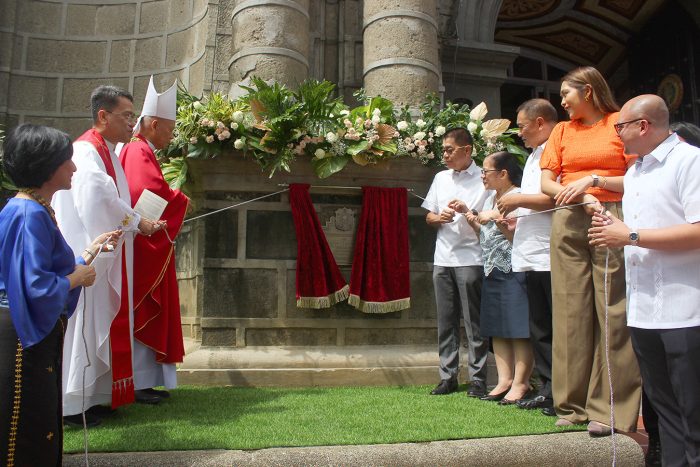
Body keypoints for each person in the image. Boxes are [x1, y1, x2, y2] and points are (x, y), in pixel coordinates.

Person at [589, 94, 700, 467]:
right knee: (665, 414)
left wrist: (631, 236)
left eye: (620, 125)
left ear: (643, 125)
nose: (616, 132)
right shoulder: (635, 171)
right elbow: (634, 229)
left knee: (694, 412)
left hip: (687, 309)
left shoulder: (690, 161)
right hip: (644, 310)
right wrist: (611, 230)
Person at [0, 124, 119, 465]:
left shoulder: (32, 209)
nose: (75, 168)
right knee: (23, 425)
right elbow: (35, 287)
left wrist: (89, 253)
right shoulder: (27, 213)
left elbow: (45, 271)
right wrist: (76, 278)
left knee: (38, 420)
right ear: (47, 166)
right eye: (67, 161)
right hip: (23, 334)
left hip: (29, 331)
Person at [539, 66, 641, 436]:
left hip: (610, 215)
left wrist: (594, 182)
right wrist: (580, 193)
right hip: (568, 216)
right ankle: (571, 404)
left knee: (612, 307)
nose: (562, 101)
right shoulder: (561, 131)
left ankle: (611, 407)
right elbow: (546, 181)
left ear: (588, 91)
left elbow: (637, 177)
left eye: (567, 94)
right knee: (570, 310)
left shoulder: (618, 124)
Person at [52, 86, 162, 427]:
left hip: (107, 251)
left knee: (101, 322)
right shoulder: (86, 151)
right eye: (126, 116)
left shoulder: (108, 151)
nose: (132, 123)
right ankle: (73, 404)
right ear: (103, 116)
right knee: (85, 324)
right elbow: (97, 200)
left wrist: (132, 220)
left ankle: (96, 396)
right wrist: (135, 221)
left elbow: (111, 198)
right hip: (89, 252)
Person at [120, 77, 189, 402]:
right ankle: (138, 380)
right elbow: (144, 194)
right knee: (145, 307)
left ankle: (145, 380)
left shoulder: (142, 150)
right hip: (143, 245)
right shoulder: (137, 151)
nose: (172, 135)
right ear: (155, 123)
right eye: (171, 129)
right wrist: (180, 200)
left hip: (149, 245)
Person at [453, 152, 532, 404]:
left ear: (503, 174)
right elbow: (487, 237)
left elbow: (518, 239)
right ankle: (504, 380)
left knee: (518, 328)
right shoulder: (491, 198)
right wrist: (474, 219)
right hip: (491, 269)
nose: (482, 176)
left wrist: (497, 219)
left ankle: (521, 382)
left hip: (514, 268)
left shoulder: (517, 198)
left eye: (486, 171)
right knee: (497, 328)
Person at [496, 99, 557, 413]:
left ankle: (561, 390)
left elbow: (555, 198)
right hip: (529, 249)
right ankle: (547, 388)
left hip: (550, 252)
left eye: (522, 125)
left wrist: (519, 199)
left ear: (541, 122)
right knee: (539, 326)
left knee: (556, 326)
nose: (519, 132)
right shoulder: (533, 155)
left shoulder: (556, 149)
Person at [422, 127, 488, 397]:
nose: (445, 155)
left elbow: (491, 218)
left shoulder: (484, 177)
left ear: (467, 150)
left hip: (472, 256)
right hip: (443, 257)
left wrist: (467, 211)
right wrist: (440, 218)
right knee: (445, 320)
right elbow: (428, 216)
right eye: (444, 150)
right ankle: (447, 376)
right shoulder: (440, 177)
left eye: (450, 149)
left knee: (475, 322)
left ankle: (478, 378)